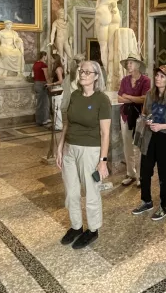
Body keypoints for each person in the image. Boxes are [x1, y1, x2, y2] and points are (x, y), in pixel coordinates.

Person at [57, 60, 111, 250]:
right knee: (71, 191)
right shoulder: (74, 96)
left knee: (91, 191)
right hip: (70, 149)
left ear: (96, 76)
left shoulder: (101, 100)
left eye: (87, 72)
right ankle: (76, 226)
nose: (82, 74)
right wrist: (60, 146)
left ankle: (93, 229)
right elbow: (67, 123)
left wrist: (103, 161)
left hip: (91, 150)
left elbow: (105, 133)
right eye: (81, 71)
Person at [132, 65, 166, 220]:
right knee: (145, 171)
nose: (157, 78)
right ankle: (146, 200)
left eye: (162, 76)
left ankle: (164, 205)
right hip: (149, 137)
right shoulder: (149, 94)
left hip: (165, 138)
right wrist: (146, 120)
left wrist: (162, 126)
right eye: (156, 75)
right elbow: (144, 113)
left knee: (164, 173)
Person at [116, 54, 150, 187]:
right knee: (127, 145)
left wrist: (128, 96)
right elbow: (119, 98)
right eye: (128, 63)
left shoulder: (145, 80)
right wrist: (134, 98)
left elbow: (144, 99)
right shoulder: (125, 80)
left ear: (138, 65)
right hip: (125, 115)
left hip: (139, 116)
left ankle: (140, 176)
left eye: (131, 63)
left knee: (138, 147)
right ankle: (130, 173)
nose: (128, 65)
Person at [47, 53, 65, 131]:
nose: (50, 60)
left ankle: (59, 125)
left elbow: (60, 81)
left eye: (51, 58)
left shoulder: (58, 69)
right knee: (55, 108)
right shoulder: (57, 68)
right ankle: (56, 124)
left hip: (57, 89)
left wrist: (51, 84)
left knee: (57, 108)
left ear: (55, 59)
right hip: (55, 89)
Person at [32, 51, 50, 126]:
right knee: (44, 103)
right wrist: (50, 84)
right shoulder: (43, 65)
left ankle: (40, 119)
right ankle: (43, 120)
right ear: (44, 56)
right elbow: (46, 76)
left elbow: (33, 75)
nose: (47, 58)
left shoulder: (35, 64)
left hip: (36, 84)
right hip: (42, 84)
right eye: (46, 56)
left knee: (39, 103)